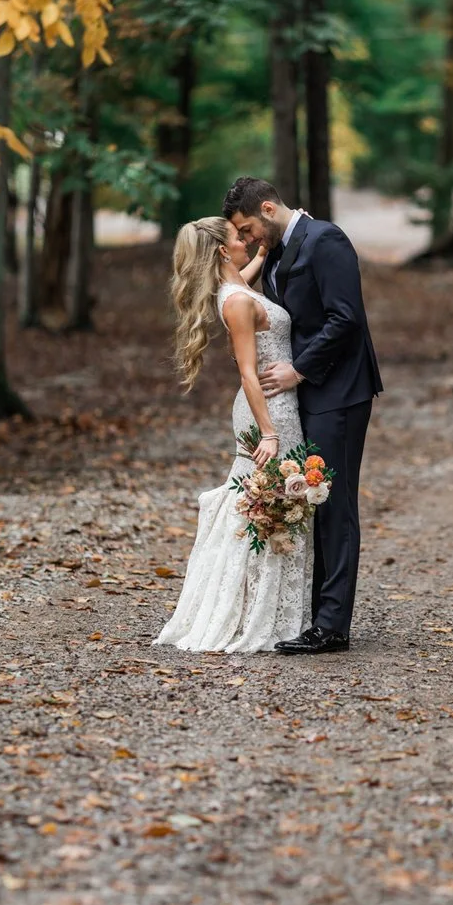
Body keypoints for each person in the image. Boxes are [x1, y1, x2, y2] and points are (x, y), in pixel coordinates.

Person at [223, 175, 382, 655]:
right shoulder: (276, 247)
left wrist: (298, 371)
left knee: (336, 505)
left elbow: (345, 318)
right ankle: (309, 614)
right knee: (309, 501)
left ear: (269, 209)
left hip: (338, 391)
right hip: (303, 397)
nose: (247, 239)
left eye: (248, 228)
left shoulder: (326, 239)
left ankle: (332, 626)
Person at [154, 216, 314, 653]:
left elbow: (240, 281)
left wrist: (262, 254)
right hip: (268, 410)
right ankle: (250, 612)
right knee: (265, 503)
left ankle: (271, 606)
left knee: (276, 500)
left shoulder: (235, 287)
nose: (244, 239)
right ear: (224, 251)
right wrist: (268, 433)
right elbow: (247, 373)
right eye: (237, 237)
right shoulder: (238, 303)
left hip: (276, 404)